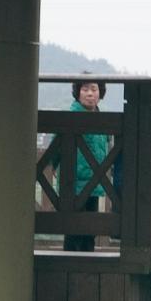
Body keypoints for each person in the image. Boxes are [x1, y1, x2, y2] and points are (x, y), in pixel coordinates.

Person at [63, 78, 109, 253]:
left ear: (100, 93)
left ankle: (86, 259)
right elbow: (56, 148)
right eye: (85, 89)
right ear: (77, 92)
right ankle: (70, 263)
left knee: (90, 229)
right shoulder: (70, 116)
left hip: (94, 183)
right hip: (74, 183)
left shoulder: (103, 118)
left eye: (94, 89)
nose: (90, 94)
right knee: (73, 228)